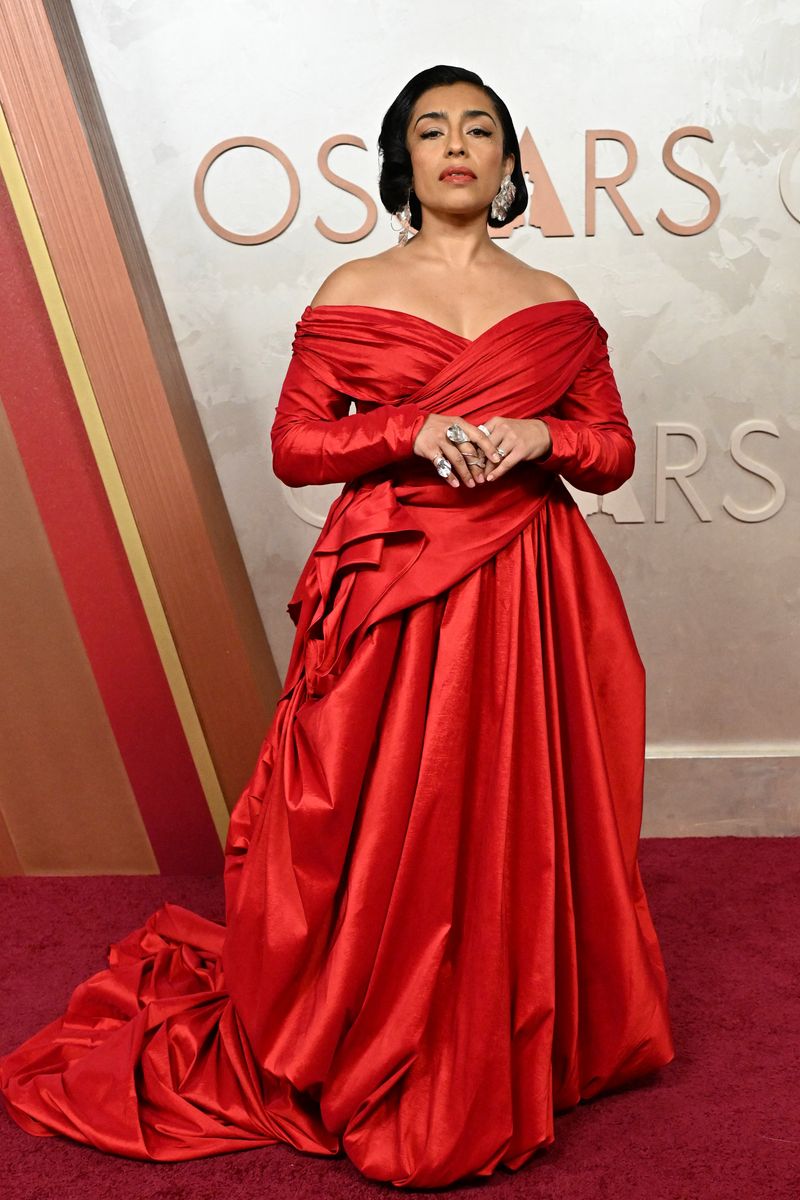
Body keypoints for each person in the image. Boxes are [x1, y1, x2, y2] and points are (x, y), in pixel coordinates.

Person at [0, 64, 675, 1188]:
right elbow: (299, 446)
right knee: (367, 813)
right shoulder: (353, 284)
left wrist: (536, 439)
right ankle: (372, 1022)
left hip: (524, 585)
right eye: (429, 129)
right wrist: (416, 427)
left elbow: (610, 450)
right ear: (399, 160)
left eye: (478, 129)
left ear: (508, 163)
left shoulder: (557, 304)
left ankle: (505, 1030)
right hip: (395, 582)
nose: (454, 144)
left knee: (506, 802)